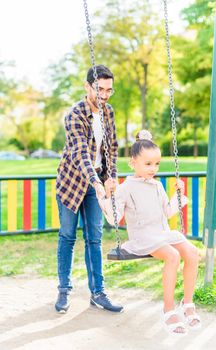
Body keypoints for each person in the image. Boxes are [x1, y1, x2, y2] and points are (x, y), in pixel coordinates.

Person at [98, 130, 201, 335]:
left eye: (156, 164)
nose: (153, 169)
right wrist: (108, 195)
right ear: (133, 162)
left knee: (192, 253)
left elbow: (168, 212)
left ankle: (187, 303)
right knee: (172, 255)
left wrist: (178, 195)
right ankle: (168, 309)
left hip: (162, 233)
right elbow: (114, 219)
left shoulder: (157, 185)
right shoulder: (126, 187)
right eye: (148, 164)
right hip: (143, 237)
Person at [55, 65, 123, 313]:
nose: (104, 95)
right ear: (87, 87)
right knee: (68, 236)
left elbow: (112, 148)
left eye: (108, 90)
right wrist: (95, 180)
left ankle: (98, 293)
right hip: (72, 183)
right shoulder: (75, 114)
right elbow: (81, 154)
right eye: (99, 89)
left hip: (97, 185)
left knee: (94, 238)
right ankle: (64, 290)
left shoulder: (109, 112)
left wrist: (112, 176)